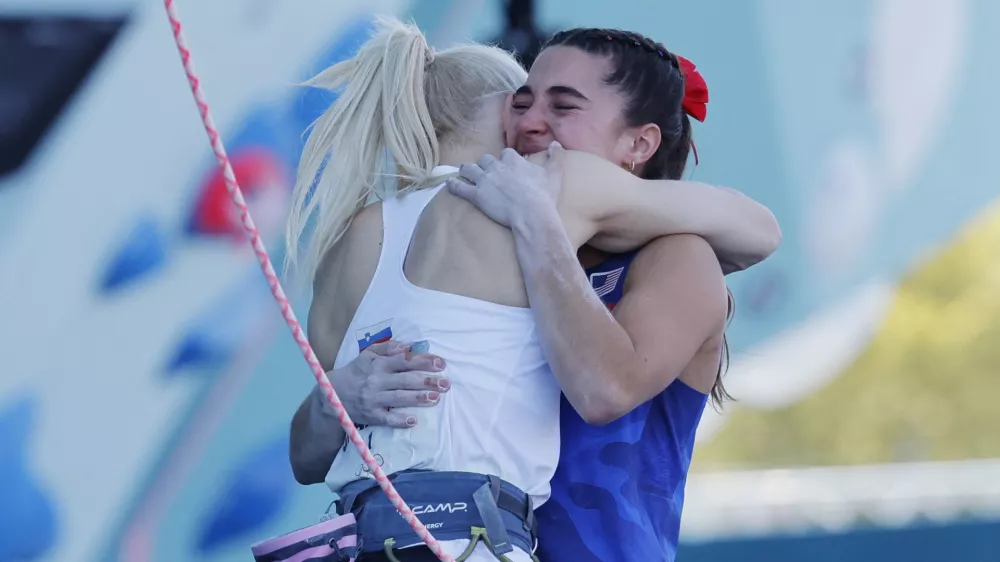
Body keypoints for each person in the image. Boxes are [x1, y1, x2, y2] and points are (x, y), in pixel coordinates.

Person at [285, 18, 780, 562]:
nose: (532, 123)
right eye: (521, 104)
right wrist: (335, 400)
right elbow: (310, 459)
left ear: (639, 143)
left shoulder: (675, 256)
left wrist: (539, 223)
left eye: (563, 107)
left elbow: (606, 391)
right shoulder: (487, 235)